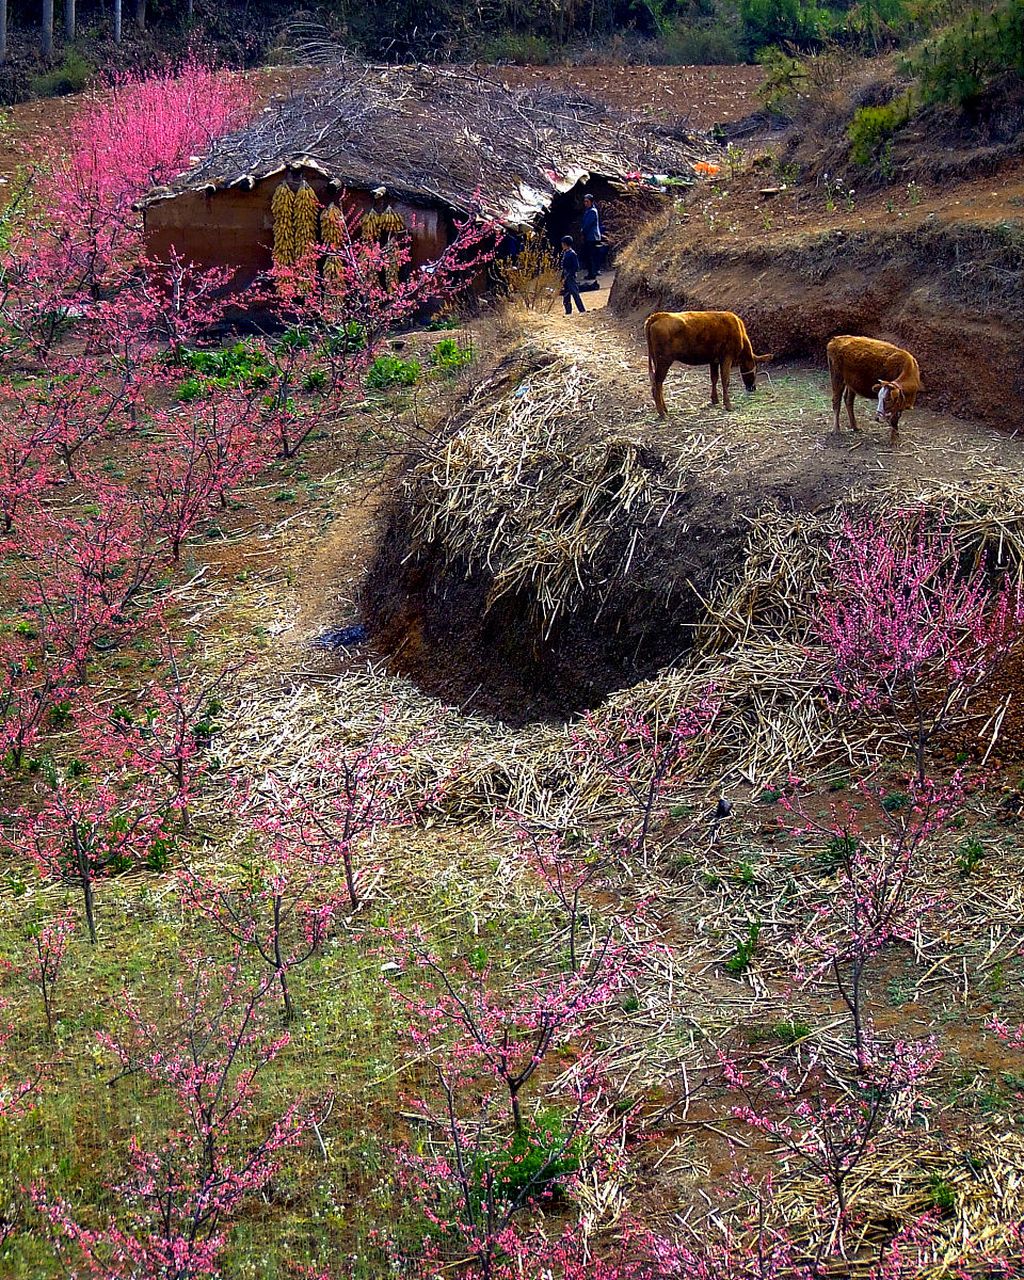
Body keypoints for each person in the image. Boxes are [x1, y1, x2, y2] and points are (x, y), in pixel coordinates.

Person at [559, 235, 585, 315]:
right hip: (566, 276)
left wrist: (570, 274)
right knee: (566, 294)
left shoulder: (572, 254)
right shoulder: (565, 253)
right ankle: (568, 311)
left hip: (570, 276)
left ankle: (582, 310)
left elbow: (576, 266)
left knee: (575, 293)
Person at [580, 193, 603, 282]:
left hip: (592, 236)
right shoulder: (588, 211)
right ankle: (591, 272)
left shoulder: (592, 211)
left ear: (591, 202)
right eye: (585, 201)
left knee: (591, 255)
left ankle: (592, 273)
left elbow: (588, 224)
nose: (585, 203)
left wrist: (582, 231)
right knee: (589, 255)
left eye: (587, 201)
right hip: (589, 236)